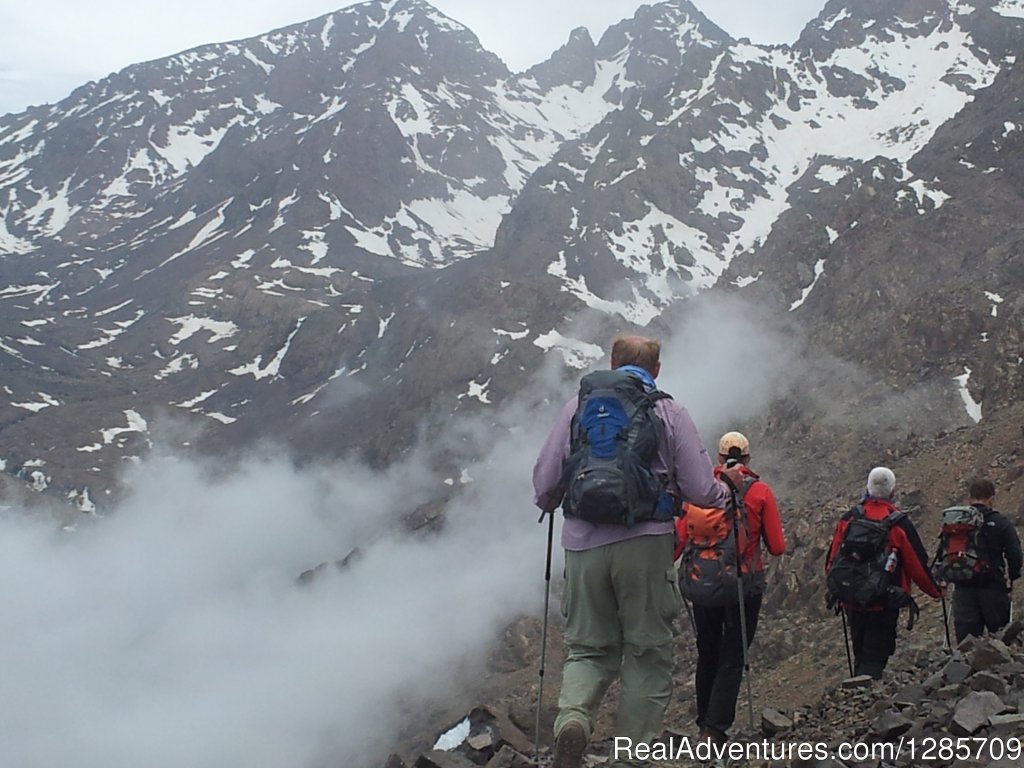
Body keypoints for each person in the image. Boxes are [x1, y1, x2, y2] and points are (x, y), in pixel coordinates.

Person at [533, 335, 742, 768]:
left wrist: (555, 501)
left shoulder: (576, 408)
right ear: (657, 369)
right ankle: (631, 755)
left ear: (611, 362)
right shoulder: (668, 410)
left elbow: (544, 483)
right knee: (647, 652)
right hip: (646, 546)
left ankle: (573, 720)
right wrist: (728, 492)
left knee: (588, 649)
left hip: (582, 547)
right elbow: (702, 490)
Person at [675, 431, 786, 746]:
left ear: (719, 459)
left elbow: (679, 541)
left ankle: (703, 725)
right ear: (747, 459)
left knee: (707, 651)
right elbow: (777, 547)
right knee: (733, 655)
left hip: (703, 585)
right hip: (743, 587)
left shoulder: (699, 492)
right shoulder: (760, 492)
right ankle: (716, 728)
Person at [825, 467, 942, 679]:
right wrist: (936, 591)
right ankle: (862, 700)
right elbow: (917, 565)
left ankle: (854, 698)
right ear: (892, 491)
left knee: (860, 652)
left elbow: (832, 560)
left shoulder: (850, 518)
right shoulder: (897, 524)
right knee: (875, 658)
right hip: (883, 602)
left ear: (867, 488)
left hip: (852, 599)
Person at [949, 478, 1023, 643]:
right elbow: (1015, 555)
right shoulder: (1000, 522)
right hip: (993, 587)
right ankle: (1000, 668)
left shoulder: (957, 523)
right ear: (991, 499)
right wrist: (1013, 575)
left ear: (969, 498)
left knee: (966, 643)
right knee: (999, 639)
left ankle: (962, 667)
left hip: (963, 588)